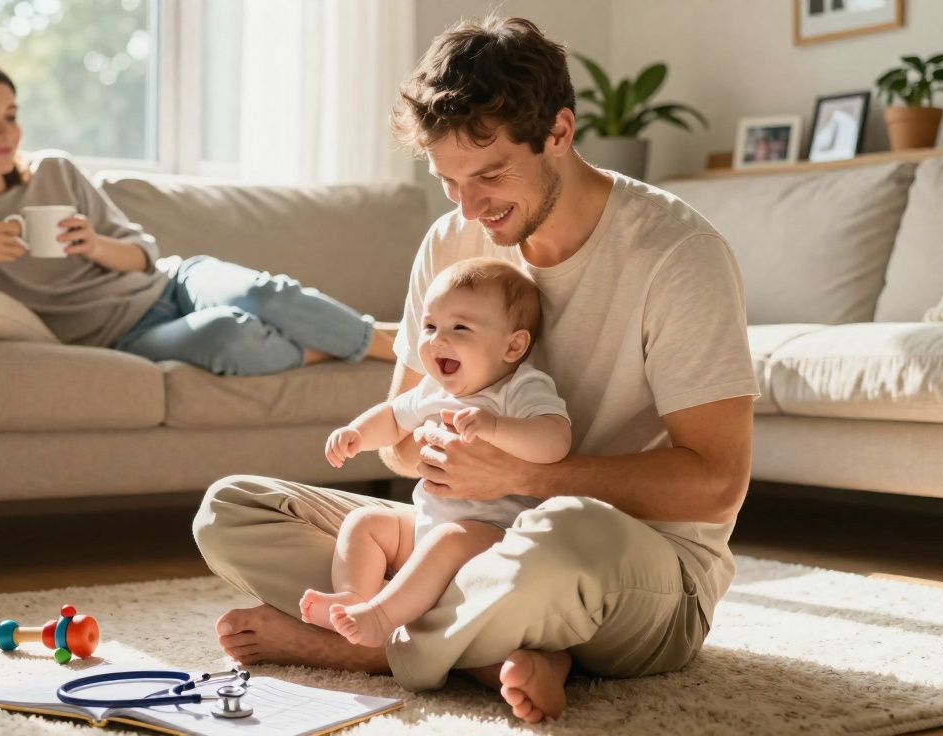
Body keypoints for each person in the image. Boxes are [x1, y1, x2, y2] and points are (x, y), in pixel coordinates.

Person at [193, 15, 758, 725]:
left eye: (490, 174)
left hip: (629, 562)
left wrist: (528, 477)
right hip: (471, 529)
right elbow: (402, 438)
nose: (468, 206)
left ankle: (364, 649)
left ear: (558, 132)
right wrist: (436, 448)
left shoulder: (678, 254)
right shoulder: (451, 239)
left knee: (564, 534)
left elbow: (715, 483)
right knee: (232, 508)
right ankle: (492, 646)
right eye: (447, 181)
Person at [0, 55, 396, 376]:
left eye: (12, 114)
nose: (7, 133)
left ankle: (400, 352)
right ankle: (333, 345)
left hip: (171, 281)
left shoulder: (54, 171)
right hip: (118, 337)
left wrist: (94, 244)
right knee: (231, 340)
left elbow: (141, 251)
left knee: (269, 296)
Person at [301, 257, 571, 649]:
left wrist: (495, 427)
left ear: (513, 345)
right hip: (429, 528)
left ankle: (381, 619)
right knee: (366, 523)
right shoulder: (434, 389)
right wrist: (357, 433)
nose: (437, 340)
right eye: (430, 326)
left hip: (496, 536)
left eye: (460, 327)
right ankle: (355, 598)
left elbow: (555, 440)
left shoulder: (521, 388)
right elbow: (394, 419)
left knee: (448, 540)